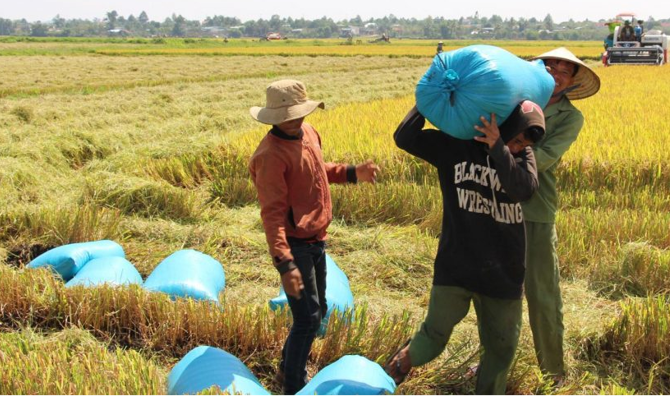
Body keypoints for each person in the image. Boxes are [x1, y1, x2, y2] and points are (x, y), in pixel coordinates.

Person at [385, 101, 545, 396]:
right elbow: (404, 138)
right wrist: (427, 102)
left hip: (504, 269)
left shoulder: (522, 159)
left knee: (502, 348)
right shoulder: (456, 146)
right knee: (434, 336)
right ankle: (401, 363)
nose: (517, 147)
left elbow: (524, 189)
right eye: (516, 138)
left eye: (522, 144)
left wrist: (501, 148)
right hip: (457, 263)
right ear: (503, 125)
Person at [248, 79, 380, 396]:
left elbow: (320, 169)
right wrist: (285, 264)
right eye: (289, 116)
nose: (296, 120)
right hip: (295, 247)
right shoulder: (270, 157)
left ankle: (287, 366)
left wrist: (352, 172)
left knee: (316, 312)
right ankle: (291, 385)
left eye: (299, 113)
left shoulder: (308, 133)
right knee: (306, 319)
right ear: (274, 117)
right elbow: (273, 214)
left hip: (316, 238)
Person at [523, 48, 601, 381]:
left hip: (534, 209)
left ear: (571, 83)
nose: (555, 72)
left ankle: (552, 372)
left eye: (564, 71)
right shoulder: (516, 102)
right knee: (495, 293)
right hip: (494, 204)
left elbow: (542, 159)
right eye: (549, 65)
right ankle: (494, 361)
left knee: (542, 294)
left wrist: (499, 148)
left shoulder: (570, 117)